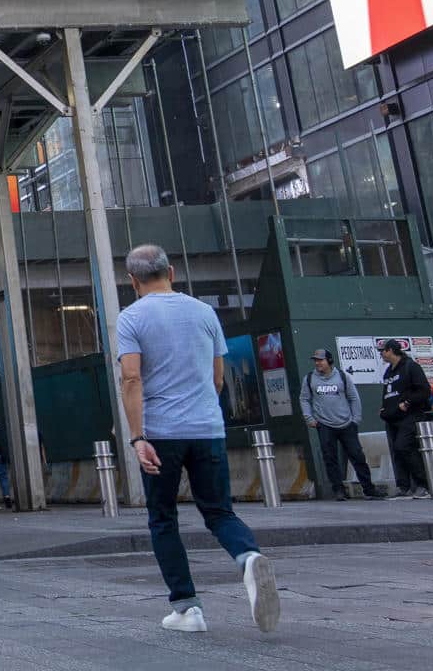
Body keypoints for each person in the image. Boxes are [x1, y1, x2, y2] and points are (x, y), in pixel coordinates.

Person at [116, 244, 279, 636]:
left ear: (132, 280)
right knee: (220, 511)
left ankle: (187, 608)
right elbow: (218, 378)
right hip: (207, 429)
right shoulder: (205, 313)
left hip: (160, 433)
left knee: (163, 518)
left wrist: (138, 437)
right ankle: (247, 555)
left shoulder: (130, 318)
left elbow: (132, 379)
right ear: (171, 271)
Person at [298, 349, 381, 500]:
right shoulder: (309, 378)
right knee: (330, 458)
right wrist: (309, 418)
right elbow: (304, 399)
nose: (317, 363)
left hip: (346, 423)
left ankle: (369, 489)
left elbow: (354, 398)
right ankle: (339, 490)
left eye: (320, 360)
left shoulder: (342, 376)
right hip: (324, 424)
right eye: (315, 360)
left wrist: (355, 419)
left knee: (357, 456)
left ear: (329, 361)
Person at [378, 340, 433, 499]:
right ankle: (404, 486)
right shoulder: (389, 371)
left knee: (404, 446)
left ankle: (423, 484)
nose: (381, 354)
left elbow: (424, 390)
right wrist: (383, 407)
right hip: (392, 418)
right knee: (397, 451)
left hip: (410, 415)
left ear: (390, 350)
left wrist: (408, 402)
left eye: (383, 351)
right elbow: (388, 392)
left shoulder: (411, 366)